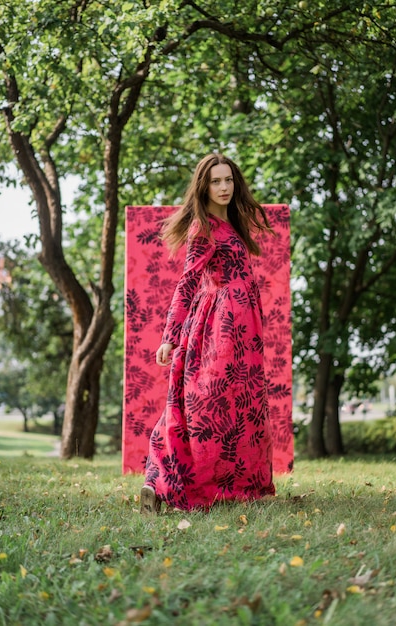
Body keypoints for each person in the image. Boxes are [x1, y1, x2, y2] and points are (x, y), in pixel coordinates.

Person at [140, 153, 276, 514]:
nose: (223, 187)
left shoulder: (232, 224)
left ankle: (233, 487)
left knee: (239, 407)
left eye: (228, 180)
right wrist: (170, 335)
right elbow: (187, 281)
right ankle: (164, 482)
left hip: (244, 330)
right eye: (216, 181)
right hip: (220, 326)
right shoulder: (204, 228)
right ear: (203, 186)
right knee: (206, 404)